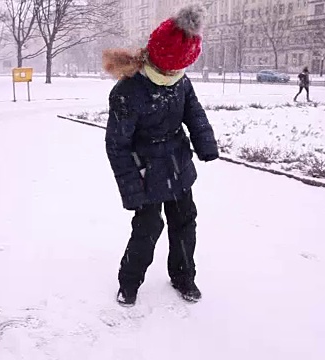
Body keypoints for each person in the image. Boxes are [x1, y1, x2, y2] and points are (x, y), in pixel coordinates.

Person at [102, 4, 219, 307]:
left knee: (185, 222)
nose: (174, 76)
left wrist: (206, 143)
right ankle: (129, 282)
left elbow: (194, 112)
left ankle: (183, 276)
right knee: (148, 227)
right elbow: (117, 145)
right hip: (146, 171)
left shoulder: (180, 80)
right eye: (168, 71)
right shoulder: (127, 91)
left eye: (178, 71)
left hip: (178, 164)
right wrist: (131, 188)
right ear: (155, 60)